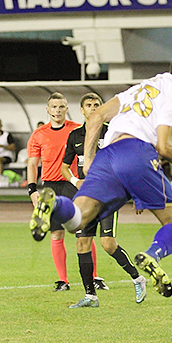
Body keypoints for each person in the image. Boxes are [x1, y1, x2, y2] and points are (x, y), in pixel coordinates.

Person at [30, 48, 172, 299]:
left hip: (108, 155)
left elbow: (97, 117)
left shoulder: (141, 87)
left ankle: (54, 203)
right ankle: (153, 255)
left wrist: (90, 160)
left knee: (78, 220)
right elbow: (164, 146)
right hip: (137, 152)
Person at [61, 93, 147, 308]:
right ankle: (90, 296)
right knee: (82, 243)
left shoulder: (112, 132)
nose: (92, 108)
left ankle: (138, 278)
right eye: (88, 105)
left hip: (109, 195)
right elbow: (64, 166)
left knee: (108, 244)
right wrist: (75, 180)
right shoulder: (75, 136)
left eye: (96, 105)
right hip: (85, 197)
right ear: (81, 110)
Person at [27, 92, 82, 292]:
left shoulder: (77, 130)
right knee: (56, 234)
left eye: (61, 107)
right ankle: (63, 281)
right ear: (48, 110)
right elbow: (33, 164)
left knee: (81, 232)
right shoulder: (39, 134)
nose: (57, 111)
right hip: (50, 187)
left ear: (67, 109)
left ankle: (93, 278)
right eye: (54, 107)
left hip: (73, 184)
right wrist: (32, 189)